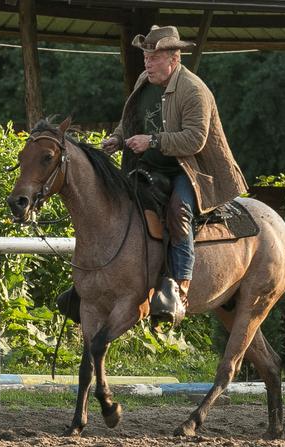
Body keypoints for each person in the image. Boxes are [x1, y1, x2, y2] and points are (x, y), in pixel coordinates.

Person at [101, 25, 248, 325]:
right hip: (151, 167)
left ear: (174, 58)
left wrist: (152, 141)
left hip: (192, 171)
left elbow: (195, 140)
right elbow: (130, 120)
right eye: (145, 56)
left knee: (179, 210)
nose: (147, 63)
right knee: (115, 203)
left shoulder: (195, 90)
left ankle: (180, 287)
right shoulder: (145, 80)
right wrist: (118, 139)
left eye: (153, 57)